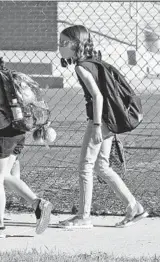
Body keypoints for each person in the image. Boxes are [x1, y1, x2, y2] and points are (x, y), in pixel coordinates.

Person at [57, 25, 148, 229]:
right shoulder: (94, 61)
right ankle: (134, 207)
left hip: (100, 121)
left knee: (85, 167)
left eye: (63, 43)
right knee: (101, 166)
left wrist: (97, 126)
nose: (60, 47)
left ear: (75, 45)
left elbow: (98, 97)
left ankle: (83, 216)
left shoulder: (81, 66)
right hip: (108, 120)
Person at [0, 36, 53, 238]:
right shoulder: (0, 73)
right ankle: (37, 205)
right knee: (4, 176)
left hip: (4, 133)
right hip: (18, 129)